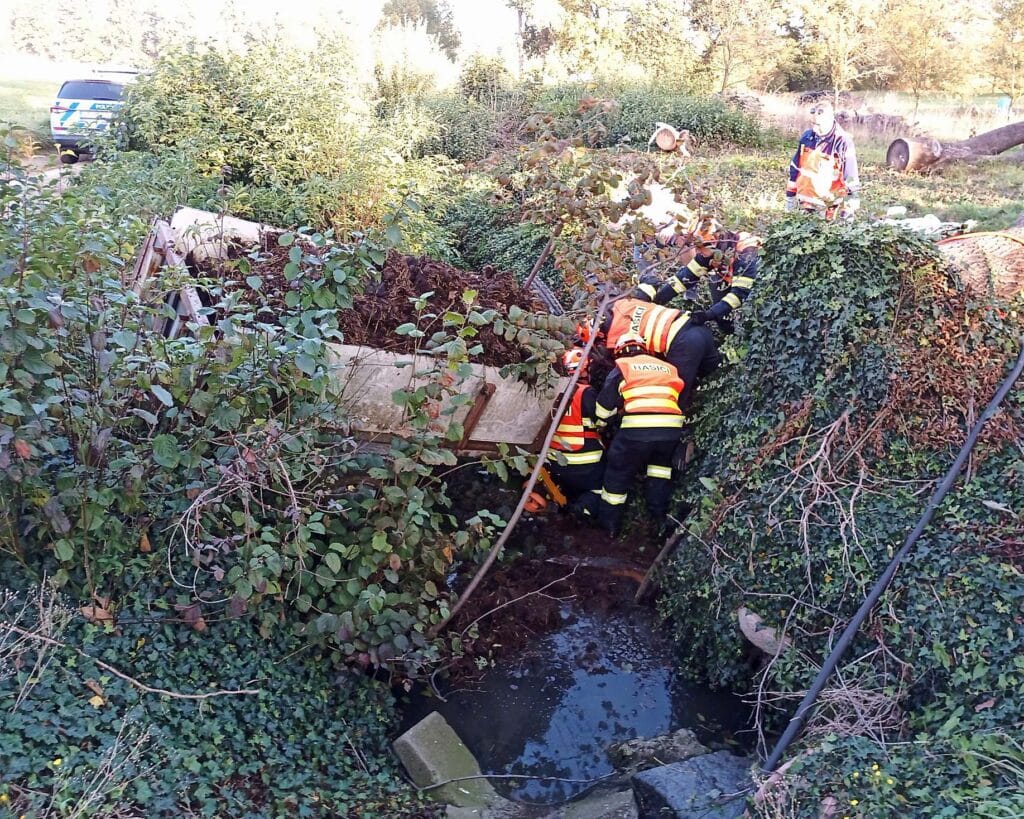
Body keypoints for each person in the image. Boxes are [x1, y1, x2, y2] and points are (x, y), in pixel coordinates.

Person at [593, 333, 685, 537]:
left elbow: (603, 409)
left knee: (618, 473)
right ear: (645, 348)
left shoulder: (623, 366)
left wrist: (603, 423)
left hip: (637, 430)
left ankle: (609, 527)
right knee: (659, 472)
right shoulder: (668, 367)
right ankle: (659, 521)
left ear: (619, 351)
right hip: (670, 430)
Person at [546, 347, 608, 519]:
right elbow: (602, 421)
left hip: (555, 461)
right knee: (603, 489)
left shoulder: (551, 391)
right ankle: (583, 511)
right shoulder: (585, 392)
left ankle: (568, 506)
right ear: (584, 369)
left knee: (570, 488)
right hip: (586, 461)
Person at [786, 99, 861, 220]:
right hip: (805, 204)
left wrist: (849, 212)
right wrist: (790, 198)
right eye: (813, 124)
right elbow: (795, 167)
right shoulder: (807, 137)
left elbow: (851, 177)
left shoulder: (842, 141)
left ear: (830, 119)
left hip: (828, 208)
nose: (815, 128)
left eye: (819, 125)